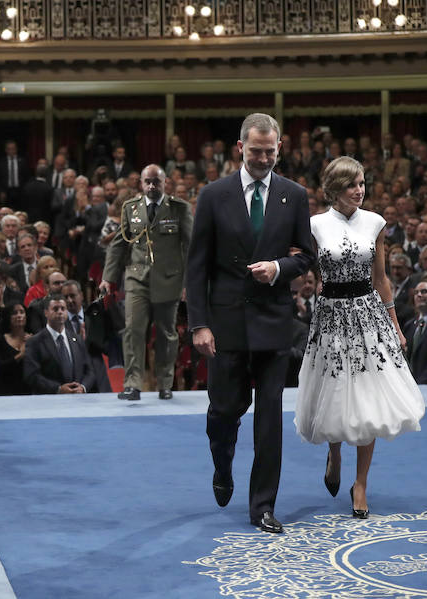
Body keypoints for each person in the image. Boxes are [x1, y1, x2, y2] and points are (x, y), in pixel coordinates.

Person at [186, 113, 316, 534]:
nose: (263, 158)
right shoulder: (213, 195)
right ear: (240, 147)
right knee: (225, 410)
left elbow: (306, 255)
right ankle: (222, 464)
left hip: (274, 323)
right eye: (256, 151)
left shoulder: (294, 195)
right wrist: (199, 325)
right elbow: (197, 266)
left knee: (270, 419)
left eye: (271, 151)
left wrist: (279, 268)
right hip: (225, 324)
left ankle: (262, 506)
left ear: (280, 149)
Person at [295, 156, 425, 520]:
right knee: (334, 392)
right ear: (335, 188)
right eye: (352, 184)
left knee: (368, 397)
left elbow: (382, 279)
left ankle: (361, 484)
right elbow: (306, 269)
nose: (360, 191)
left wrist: (396, 326)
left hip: (368, 316)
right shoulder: (315, 224)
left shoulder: (376, 222)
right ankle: (334, 453)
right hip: (331, 316)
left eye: (363, 184)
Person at [100, 164, 192, 400]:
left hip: (168, 279)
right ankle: (132, 384)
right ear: (141, 183)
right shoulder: (131, 208)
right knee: (132, 330)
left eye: (156, 182)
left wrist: (189, 283)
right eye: (147, 182)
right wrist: (108, 278)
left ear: (165, 183)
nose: (152, 186)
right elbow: (118, 244)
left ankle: (165, 384)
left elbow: (191, 247)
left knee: (166, 334)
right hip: (136, 279)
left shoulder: (179, 208)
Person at [22, 294, 94, 394]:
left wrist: (83, 387)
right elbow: (31, 375)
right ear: (46, 313)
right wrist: (58, 389)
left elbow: (89, 370)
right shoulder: (35, 342)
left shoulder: (77, 339)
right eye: (55, 309)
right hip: (49, 401)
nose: (60, 312)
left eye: (63, 309)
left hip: (78, 400)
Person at [0, 303, 32, 395]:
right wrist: (20, 355)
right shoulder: (0, 340)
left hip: (28, 392)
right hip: (5, 391)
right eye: (15, 313)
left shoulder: (33, 339)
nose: (19, 315)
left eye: (22, 312)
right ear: (8, 317)